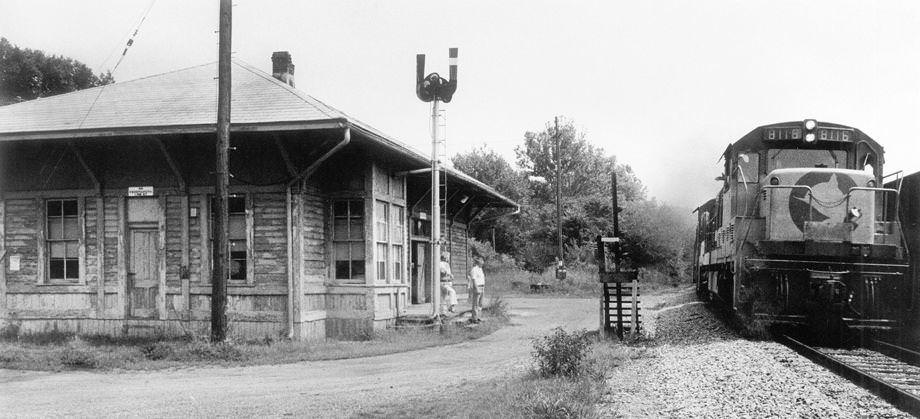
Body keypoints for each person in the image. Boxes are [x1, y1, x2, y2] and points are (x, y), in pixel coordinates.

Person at [467, 256, 485, 323]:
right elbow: (474, 280)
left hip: (482, 287)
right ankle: (474, 318)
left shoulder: (481, 269)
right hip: (477, 287)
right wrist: (476, 288)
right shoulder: (474, 269)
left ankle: (479, 317)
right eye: (482, 261)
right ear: (478, 262)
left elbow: (482, 279)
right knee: (476, 303)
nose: (483, 262)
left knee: (480, 303)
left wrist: (483, 287)